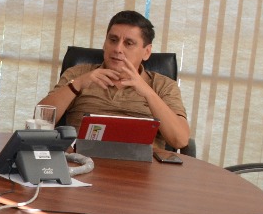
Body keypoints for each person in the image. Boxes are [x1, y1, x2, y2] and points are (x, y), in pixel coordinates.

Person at [38, 10, 190, 150]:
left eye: (128, 43)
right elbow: (39, 121)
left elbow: (180, 141)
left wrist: (148, 93)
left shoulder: (163, 85)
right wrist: (77, 84)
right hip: (81, 163)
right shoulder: (77, 74)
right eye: (113, 40)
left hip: (141, 171)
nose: (118, 49)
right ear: (105, 43)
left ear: (147, 51)